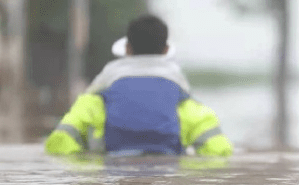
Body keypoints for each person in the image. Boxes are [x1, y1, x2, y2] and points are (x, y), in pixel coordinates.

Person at [45, 15, 233, 157]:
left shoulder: (95, 101)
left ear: (127, 49)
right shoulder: (186, 106)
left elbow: (58, 144)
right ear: (166, 50)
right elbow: (220, 150)